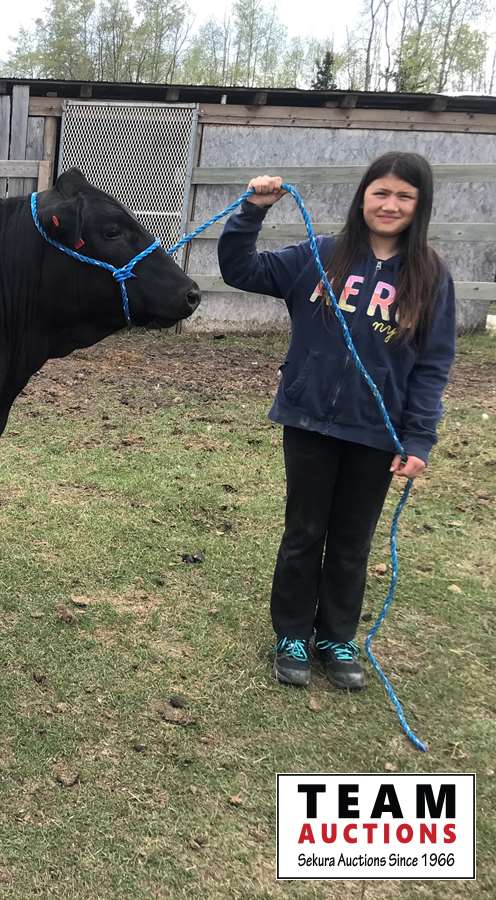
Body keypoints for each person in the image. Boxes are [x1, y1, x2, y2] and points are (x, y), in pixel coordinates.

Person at [217, 151, 456, 691]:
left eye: (404, 196)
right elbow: (241, 269)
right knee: (304, 532)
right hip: (309, 422)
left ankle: (336, 638)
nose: (390, 205)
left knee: (352, 541)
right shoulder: (319, 255)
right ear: (362, 196)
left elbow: (433, 365)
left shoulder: (430, 278)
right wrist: (252, 210)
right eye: (381, 192)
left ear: (419, 205)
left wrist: (419, 437)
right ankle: (292, 634)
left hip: (377, 432)